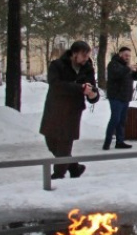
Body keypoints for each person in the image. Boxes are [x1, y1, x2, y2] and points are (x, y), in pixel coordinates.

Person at [39, 41, 100, 180]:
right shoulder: (57, 65)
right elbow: (56, 85)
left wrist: (93, 95)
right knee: (51, 142)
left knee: (64, 144)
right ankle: (74, 167)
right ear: (74, 54)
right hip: (54, 109)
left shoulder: (88, 69)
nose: (85, 59)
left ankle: (58, 175)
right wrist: (80, 88)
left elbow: (92, 89)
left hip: (72, 111)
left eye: (87, 56)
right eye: (83, 55)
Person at [103, 46, 137, 150]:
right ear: (120, 54)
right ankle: (107, 143)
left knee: (122, 120)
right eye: (126, 55)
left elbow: (134, 77)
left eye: (129, 56)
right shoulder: (113, 64)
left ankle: (120, 141)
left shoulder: (126, 66)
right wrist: (128, 68)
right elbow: (117, 74)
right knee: (115, 119)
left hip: (125, 97)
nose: (127, 57)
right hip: (116, 96)